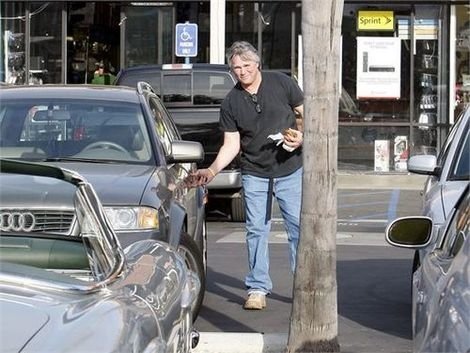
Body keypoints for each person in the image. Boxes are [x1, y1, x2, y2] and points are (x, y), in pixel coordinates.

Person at [193, 41, 304, 310]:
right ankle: (257, 288)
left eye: (246, 66)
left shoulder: (282, 83)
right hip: (255, 171)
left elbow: (305, 114)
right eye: (236, 68)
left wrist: (301, 136)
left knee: (298, 229)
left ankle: (303, 286)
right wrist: (211, 170)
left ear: (257, 64)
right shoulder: (231, 102)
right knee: (256, 229)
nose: (242, 72)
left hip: (290, 168)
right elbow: (231, 144)